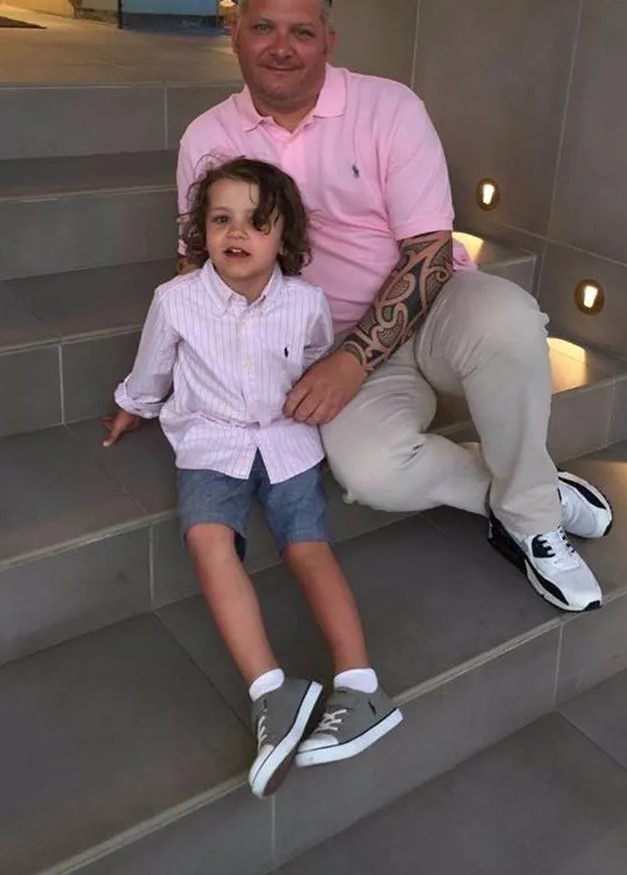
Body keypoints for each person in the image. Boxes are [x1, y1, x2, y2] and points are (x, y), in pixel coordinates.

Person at [175, 0, 615, 616]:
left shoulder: (388, 108)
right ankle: (535, 493)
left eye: (301, 31)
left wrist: (354, 360)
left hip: (432, 311)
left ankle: (532, 521)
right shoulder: (206, 138)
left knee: (509, 316)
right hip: (319, 346)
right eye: (262, 27)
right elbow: (197, 265)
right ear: (234, 32)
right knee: (372, 473)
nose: (281, 48)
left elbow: (429, 253)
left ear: (329, 41)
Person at [102, 158, 402, 799]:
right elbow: (153, 370)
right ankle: (272, 690)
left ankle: (361, 687)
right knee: (207, 539)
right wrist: (134, 405)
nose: (236, 233)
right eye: (221, 219)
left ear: (284, 235)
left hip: (288, 441)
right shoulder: (175, 301)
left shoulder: (307, 303)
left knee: (308, 547)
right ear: (202, 231)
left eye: (257, 221)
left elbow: (318, 360)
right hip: (210, 443)